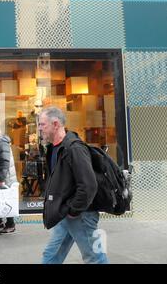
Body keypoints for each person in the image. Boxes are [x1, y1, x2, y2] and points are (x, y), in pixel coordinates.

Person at [38, 107, 108, 264]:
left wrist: (74, 211)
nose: (40, 129)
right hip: (65, 212)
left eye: (43, 125)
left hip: (81, 214)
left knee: (94, 258)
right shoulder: (53, 148)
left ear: (55, 124)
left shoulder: (74, 148)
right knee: (51, 254)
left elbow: (89, 185)